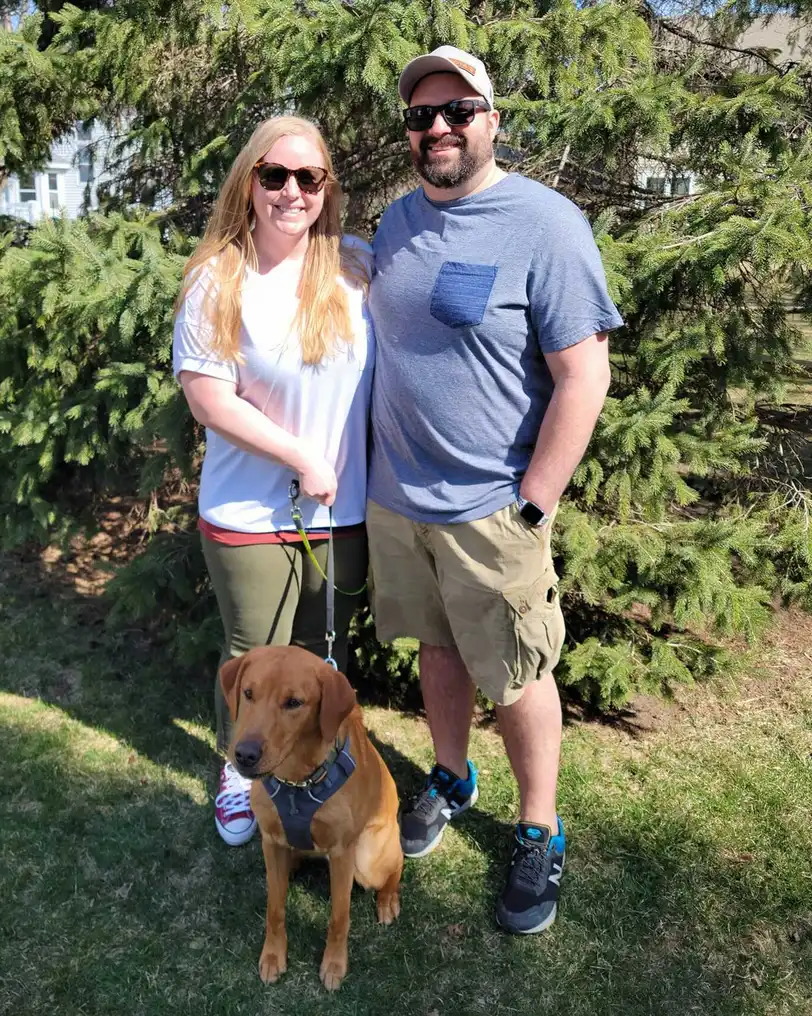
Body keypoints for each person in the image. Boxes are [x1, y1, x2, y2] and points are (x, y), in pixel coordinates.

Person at [365, 46, 623, 933]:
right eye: (421, 116)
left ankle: (538, 829)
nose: (437, 128)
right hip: (398, 504)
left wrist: (536, 501)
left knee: (516, 675)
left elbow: (584, 373)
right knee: (438, 652)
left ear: (492, 119)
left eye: (457, 111)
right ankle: (450, 776)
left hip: (492, 513)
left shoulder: (545, 225)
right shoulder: (396, 224)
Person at [172, 116, 373, 847]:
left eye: (309, 178)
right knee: (251, 659)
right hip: (248, 510)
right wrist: (300, 457)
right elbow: (208, 397)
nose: (292, 192)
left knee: (325, 657)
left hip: (342, 508)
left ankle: (321, 770)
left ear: (328, 187)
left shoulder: (356, 267)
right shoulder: (218, 278)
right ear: (248, 181)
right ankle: (239, 772)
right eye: (274, 176)